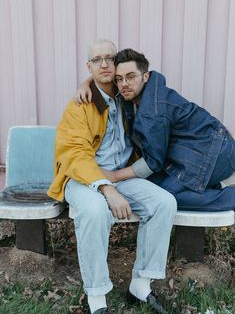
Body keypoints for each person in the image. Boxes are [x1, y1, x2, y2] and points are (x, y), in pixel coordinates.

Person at [48, 40, 177, 314]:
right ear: (89, 66)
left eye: (109, 58)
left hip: (122, 177)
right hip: (83, 179)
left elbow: (152, 78)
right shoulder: (80, 105)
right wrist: (107, 188)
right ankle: (97, 299)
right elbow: (75, 153)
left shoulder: (126, 95)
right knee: (95, 211)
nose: (104, 64)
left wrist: (116, 183)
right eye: (97, 60)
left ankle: (140, 285)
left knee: (164, 203)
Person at [76, 48, 235, 212]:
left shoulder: (153, 112)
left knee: (166, 196)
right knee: (152, 185)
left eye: (130, 77)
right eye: (119, 79)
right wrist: (86, 84)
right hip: (195, 151)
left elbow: (153, 163)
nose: (124, 84)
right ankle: (205, 186)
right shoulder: (136, 90)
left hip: (217, 153)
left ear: (145, 76)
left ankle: (229, 196)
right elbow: (104, 77)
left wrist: (114, 176)